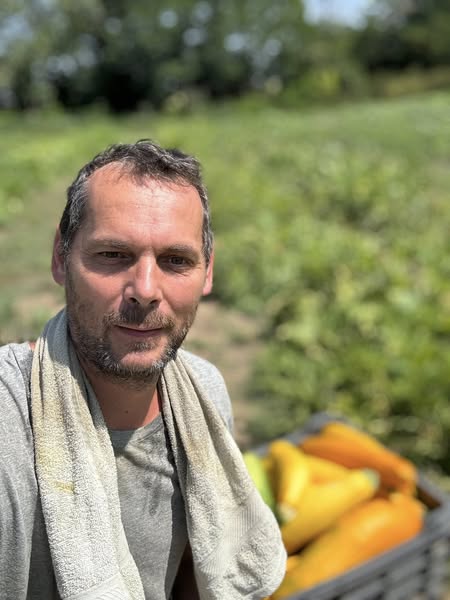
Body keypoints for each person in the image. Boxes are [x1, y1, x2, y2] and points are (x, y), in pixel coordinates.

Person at [0, 140, 286, 600]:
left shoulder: (205, 394)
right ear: (60, 257)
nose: (146, 290)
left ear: (208, 271)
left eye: (176, 261)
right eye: (113, 255)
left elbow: (199, 573)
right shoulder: (11, 424)